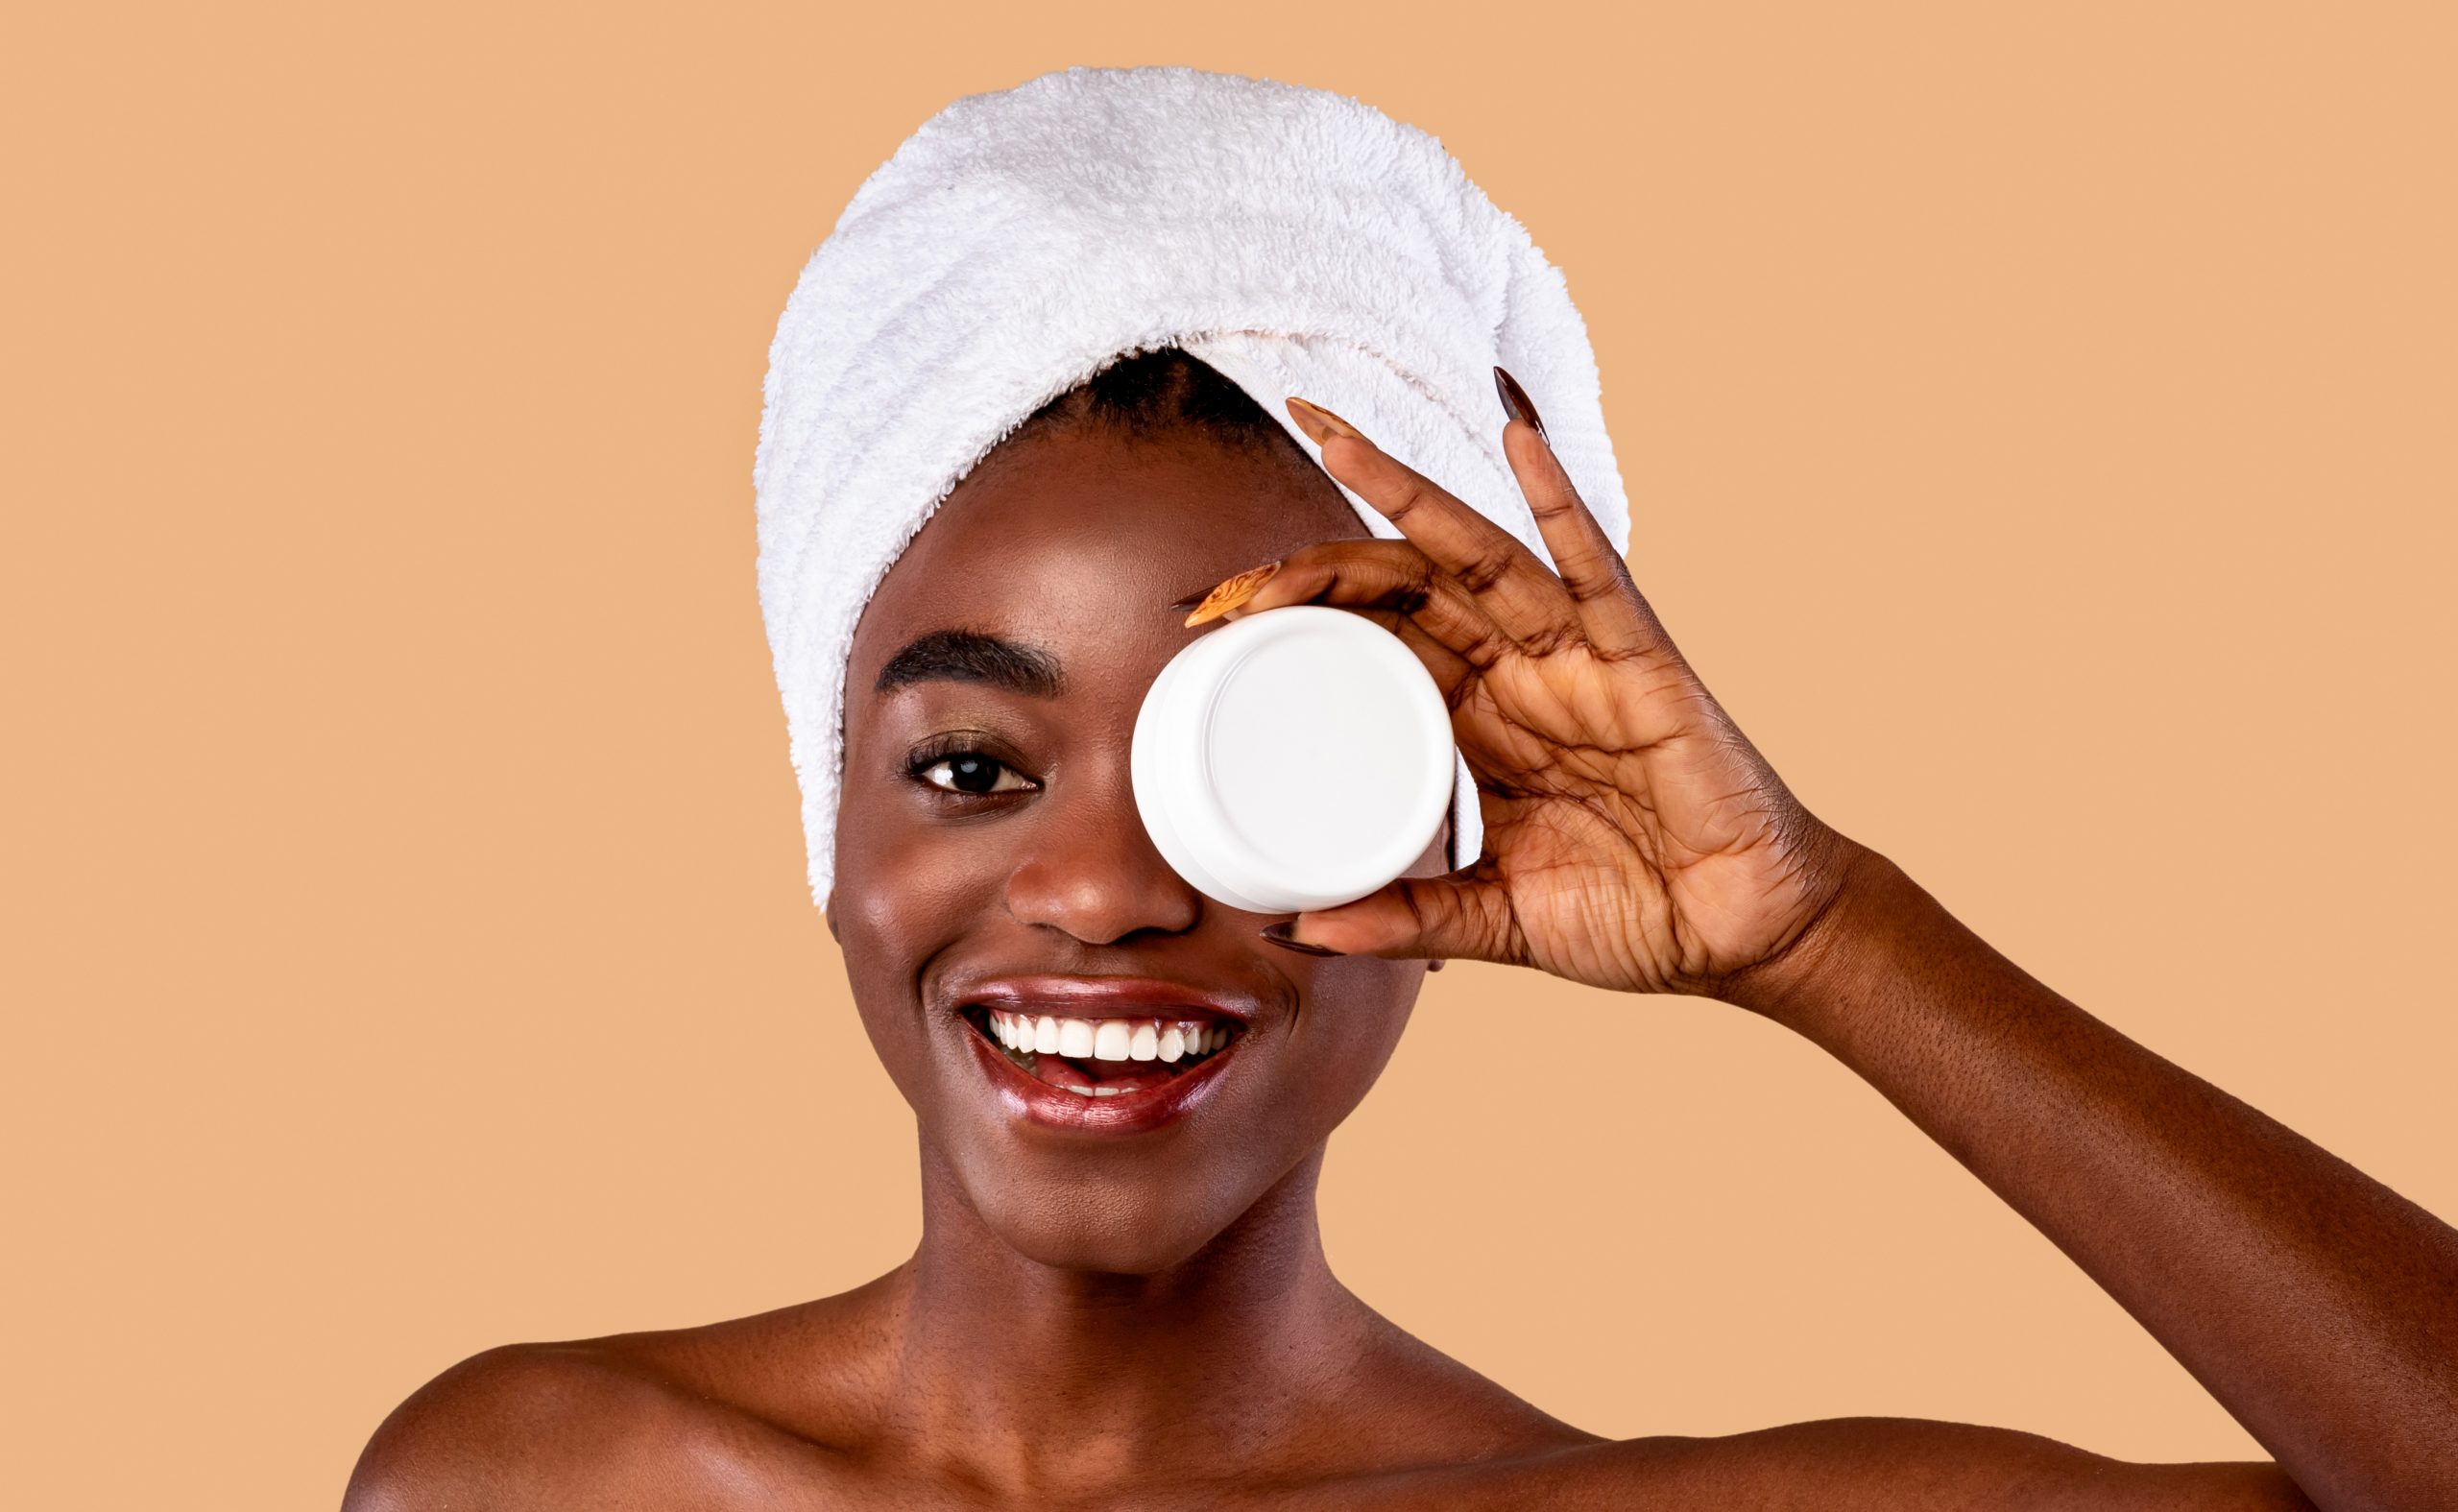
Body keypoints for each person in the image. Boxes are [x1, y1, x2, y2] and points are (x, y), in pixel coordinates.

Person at [344, 74, 2457, 1512]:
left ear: (1446, 813)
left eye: (1253, 755)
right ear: (832, 824)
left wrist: (1829, 937)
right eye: (971, 763)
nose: (1094, 887)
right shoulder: (524, 1471)